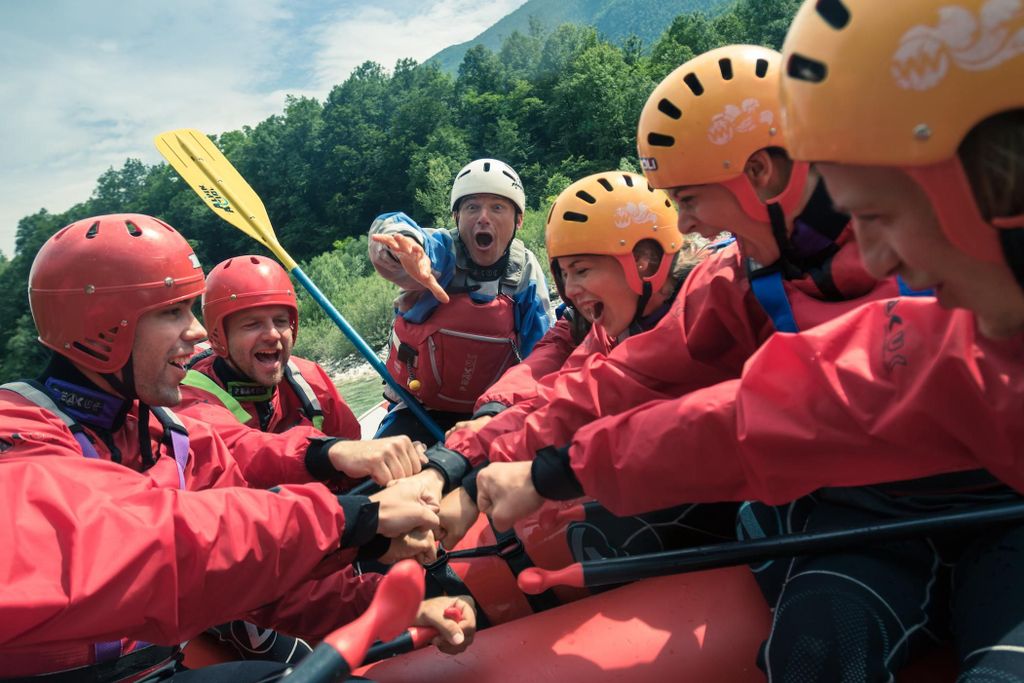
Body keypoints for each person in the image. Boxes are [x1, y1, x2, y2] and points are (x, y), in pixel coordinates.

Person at [478, 5, 1024, 678]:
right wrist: (493, 454)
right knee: (813, 649)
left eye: (878, 213)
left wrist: (547, 468)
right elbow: (713, 397)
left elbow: (773, 408)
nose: (882, 259)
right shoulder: (747, 281)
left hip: (997, 520)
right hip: (870, 516)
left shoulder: (941, 325)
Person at [439, 44, 907, 547]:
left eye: (687, 198)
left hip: (949, 502)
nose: (683, 225)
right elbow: (598, 384)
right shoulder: (740, 277)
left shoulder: (921, 254)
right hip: (857, 501)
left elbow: (783, 406)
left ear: (759, 173)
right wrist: (462, 457)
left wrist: (554, 471)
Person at [0, 213, 473, 680]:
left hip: (161, 669)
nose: (197, 332)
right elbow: (134, 536)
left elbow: (272, 585)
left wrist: (396, 606)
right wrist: (351, 518)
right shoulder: (16, 432)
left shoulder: (177, 440)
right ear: (102, 327)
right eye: (172, 312)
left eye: (191, 309)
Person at [179, 254, 428, 491]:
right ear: (218, 337)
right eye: (252, 324)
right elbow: (239, 448)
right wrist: (330, 453)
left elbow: (350, 461)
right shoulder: (187, 392)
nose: (273, 334)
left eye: (280, 321)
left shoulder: (310, 381)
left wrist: (391, 469)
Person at [367, 158, 553, 445]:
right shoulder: (440, 254)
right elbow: (406, 236)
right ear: (456, 217)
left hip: (492, 413)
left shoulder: (525, 274)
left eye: (497, 207)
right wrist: (398, 247)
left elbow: (541, 354)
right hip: (419, 410)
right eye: (472, 207)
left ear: (519, 219)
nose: (483, 217)